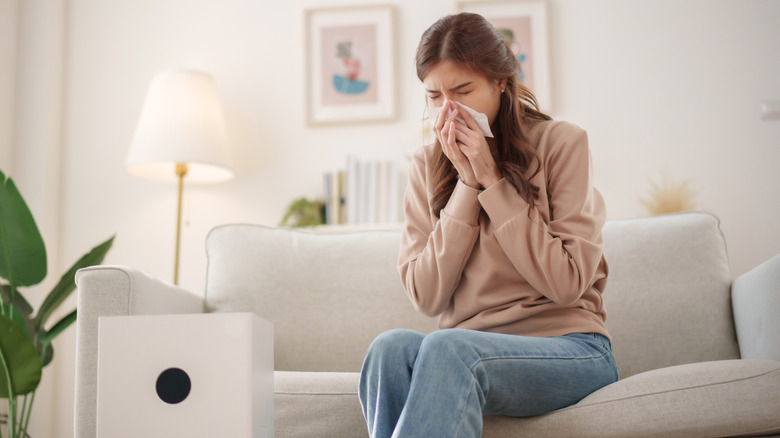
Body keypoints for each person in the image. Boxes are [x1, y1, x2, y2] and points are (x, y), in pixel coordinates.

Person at [358, 12, 618, 438]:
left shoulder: (562, 144)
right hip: (464, 349)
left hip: (571, 349)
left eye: (463, 90)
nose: (449, 109)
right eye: (434, 96)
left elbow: (567, 282)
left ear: (501, 80)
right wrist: (466, 184)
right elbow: (426, 295)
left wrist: (492, 181)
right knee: (389, 349)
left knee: (449, 350)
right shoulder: (426, 166)